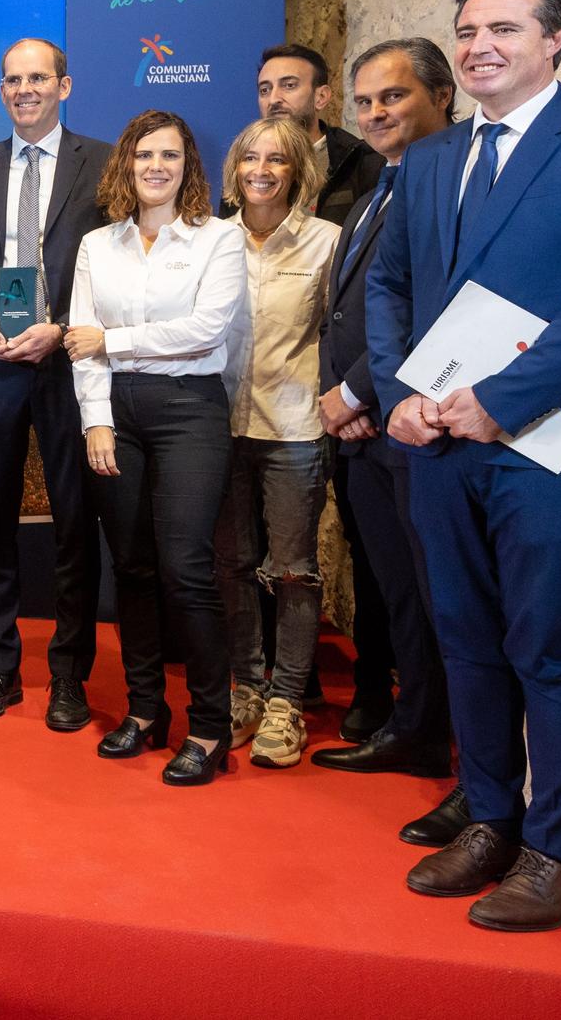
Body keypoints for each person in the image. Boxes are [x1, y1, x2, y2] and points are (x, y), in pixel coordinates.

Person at [370, 0, 561, 931]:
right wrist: (401, 397)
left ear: (558, 40)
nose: (478, 45)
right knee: (466, 638)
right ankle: (492, 817)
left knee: (551, 647)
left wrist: (497, 402)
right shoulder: (429, 159)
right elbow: (389, 288)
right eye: (465, 30)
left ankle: (560, 853)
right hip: (438, 444)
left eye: (502, 27)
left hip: (554, 446)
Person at [311, 39, 468, 847]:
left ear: (441, 96)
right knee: (394, 590)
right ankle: (413, 726)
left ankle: (449, 746)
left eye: (393, 98)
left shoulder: (448, 184)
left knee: (436, 593)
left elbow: (432, 306)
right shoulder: (381, 185)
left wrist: (364, 391)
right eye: (365, 102)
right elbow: (358, 305)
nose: (375, 114)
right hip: (364, 427)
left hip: (398, 421)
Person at [64, 111, 245, 785]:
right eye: (144, 154)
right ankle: (145, 711)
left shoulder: (217, 239)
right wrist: (94, 420)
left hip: (189, 409)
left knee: (186, 568)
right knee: (133, 566)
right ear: (126, 164)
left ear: (188, 164)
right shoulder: (96, 244)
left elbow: (204, 330)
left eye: (170, 155)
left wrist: (114, 342)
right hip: (117, 412)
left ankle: (208, 724)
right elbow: (80, 338)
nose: (156, 166)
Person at [0, 39, 110, 728]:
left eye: (38, 78)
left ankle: (70, 675)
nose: (24, 90)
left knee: (77, 524)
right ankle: (1, 670)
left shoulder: (103, 164)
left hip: (71, 361)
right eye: (12, 79)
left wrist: (64, 325)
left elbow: (120, 268)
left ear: (64, 86)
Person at [211, 117, 339, 768]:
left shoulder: (327, 243)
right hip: (221, 429)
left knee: (293, 569)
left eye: (277, 160)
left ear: (297, 171)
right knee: (231, 566)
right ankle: (248, 688)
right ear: (234, 169)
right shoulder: (207, 241)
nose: (261, 169)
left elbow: (339, 335)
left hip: (293, 430)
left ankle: (287, 700)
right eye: (250, 158)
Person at [256, 44, 383, 227]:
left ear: (321, 97)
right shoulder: (246, 167)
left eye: (289, 85)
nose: (274, 99)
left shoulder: (360, 162)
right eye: (264, 90)